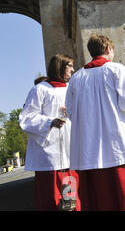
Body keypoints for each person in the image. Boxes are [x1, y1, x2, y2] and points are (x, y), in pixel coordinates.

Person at [66, 34, 125, 211]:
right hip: (119, 147)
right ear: (109, 49)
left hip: (89, 152)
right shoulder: (117, 70)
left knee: (100, 202)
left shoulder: (76, 78)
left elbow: (71, 113)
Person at [20, 54, 80, 211]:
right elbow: (26, 119)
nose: (73, 70)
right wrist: (49, 122)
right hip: (49, 155)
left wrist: (73, 111)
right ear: (60, 67)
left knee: (71, 196)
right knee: (52, 198)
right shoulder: (40, 89)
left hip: (70, 150)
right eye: (70, 66)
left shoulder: (71, 88)